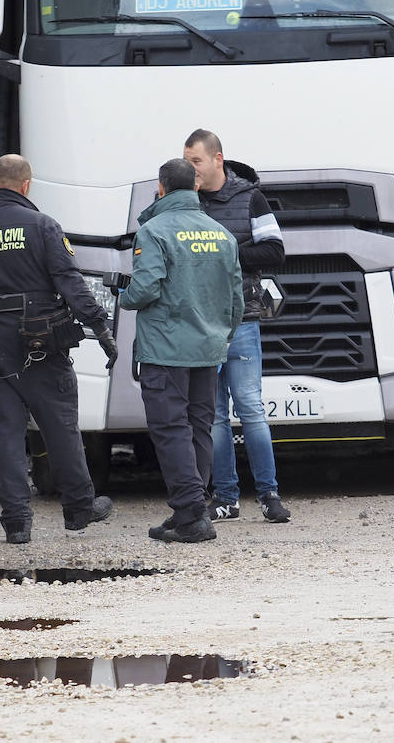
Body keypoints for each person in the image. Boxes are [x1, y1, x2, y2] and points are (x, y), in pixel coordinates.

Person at [0, 154, 119, 544]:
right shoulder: (42, 226)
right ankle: (78, 509)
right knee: (60, 425)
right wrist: (101, 327)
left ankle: (17, 522)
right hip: (39, 340)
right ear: (26, 185)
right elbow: (70, 283)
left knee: (5, 432)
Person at [120, 158, 243, 543]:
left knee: (171, 428)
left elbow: (145, 289)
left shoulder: (154, 231)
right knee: (199, 428)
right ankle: (189, 508)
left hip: (166, 350)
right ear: (195, 187)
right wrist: (221, 335)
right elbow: (236, 299)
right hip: (208, 349)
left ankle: (191, 514)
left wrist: (122, 295)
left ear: (161, 188)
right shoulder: (222, 234)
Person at [184, 128, 291, 524]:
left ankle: (269, 495)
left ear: (217, 159)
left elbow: (275, 251)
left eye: (196, 160)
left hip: (242, 318)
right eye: (186, 160)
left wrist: (221, 251)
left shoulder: (251, 197)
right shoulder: (183, 201)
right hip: (200, 322)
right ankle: (226, 498)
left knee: (250, 409)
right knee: (212, 415)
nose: (190, 168)